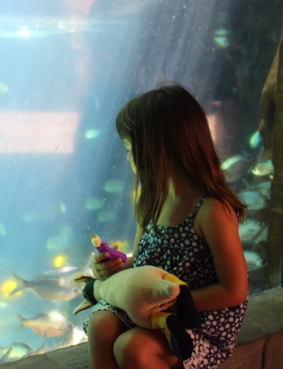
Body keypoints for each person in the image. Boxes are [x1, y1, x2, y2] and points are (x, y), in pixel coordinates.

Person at [83, 84, 249, 369]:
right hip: (150, 308)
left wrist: (170, 302)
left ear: (157, 149)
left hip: (197, 318)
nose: (127, 158)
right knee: (101, 324)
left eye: (129, 148)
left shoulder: (211, 210)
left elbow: (234, 290)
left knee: (132, 348)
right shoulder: (149, 202)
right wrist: (114, 269)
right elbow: (141, 263)